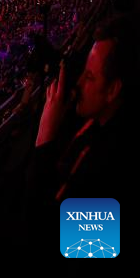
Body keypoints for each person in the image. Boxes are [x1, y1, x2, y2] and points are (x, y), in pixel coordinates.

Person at [32, 16, 134, 203]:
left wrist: (44, 139)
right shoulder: (99, 117)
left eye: (89, 77)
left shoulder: (105, 171)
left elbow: (45, 220)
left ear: (112, 90)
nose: (79, 83)